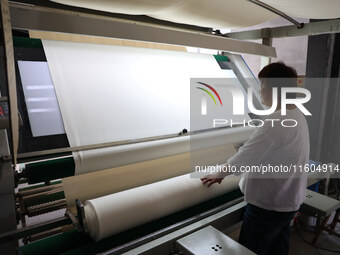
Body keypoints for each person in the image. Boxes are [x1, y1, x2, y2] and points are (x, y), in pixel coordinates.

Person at [201, 62, 310, 255]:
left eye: (262, 85)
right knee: (278, 247)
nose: (259, 90)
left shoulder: (276, 121)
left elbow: (245, 157)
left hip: (268, 208)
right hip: (288, 203)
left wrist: (219, 173)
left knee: (252, 249)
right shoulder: (296, 114)